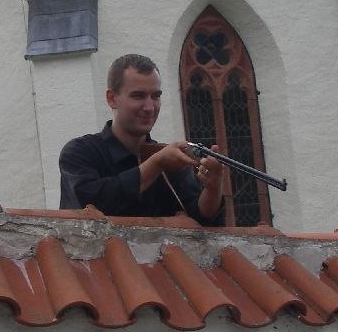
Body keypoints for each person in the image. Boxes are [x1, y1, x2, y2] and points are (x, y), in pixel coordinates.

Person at [58, 54, 225, 224]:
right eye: (138, 96)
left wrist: (213, 187)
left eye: (156, 96)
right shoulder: (79, 152)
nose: (150, 107)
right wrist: (156, 164)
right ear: (112, 98)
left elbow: (202, 221)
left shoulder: (167, 156)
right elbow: (93, 207)